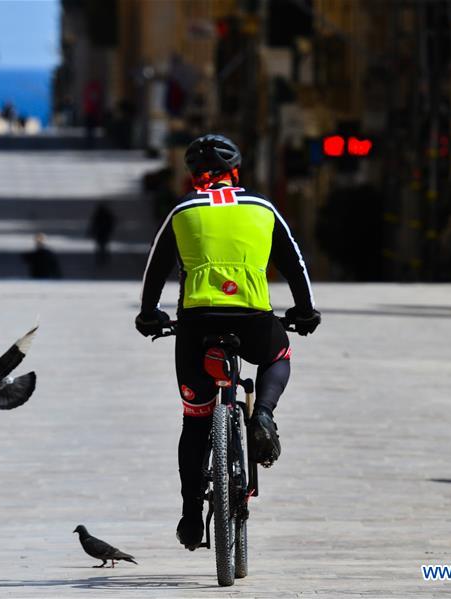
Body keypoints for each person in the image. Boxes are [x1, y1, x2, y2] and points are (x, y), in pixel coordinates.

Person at [134, 134, 321, 551]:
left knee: (195, 418)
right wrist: (305, 312)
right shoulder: (263, 207)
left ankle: (189, 515)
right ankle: (264, 415)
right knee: (278, 355)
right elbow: (294, 263)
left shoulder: (182, 211)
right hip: (253, 317)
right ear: (236, 170)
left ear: (193, 175)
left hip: (195, 324)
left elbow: (154, 269)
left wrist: (148, 315)